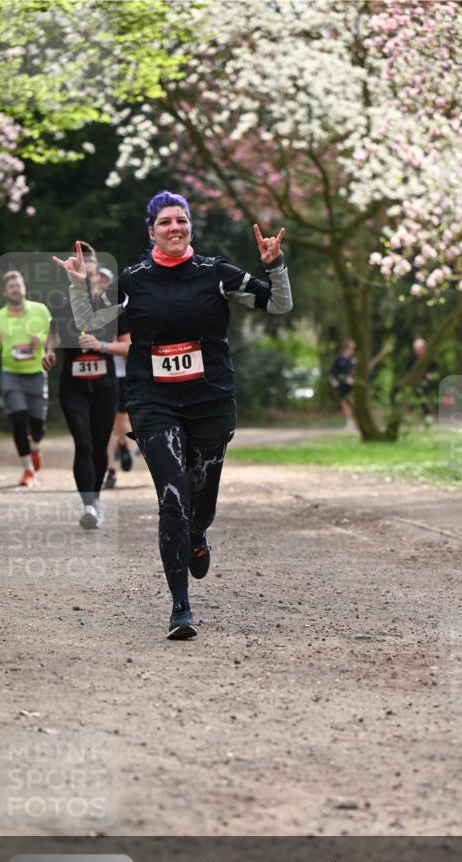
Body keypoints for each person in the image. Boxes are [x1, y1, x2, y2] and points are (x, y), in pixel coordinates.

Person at [53, 191, 292, 639]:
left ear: (190, 228)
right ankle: (180, 608)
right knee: (172, 498)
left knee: (201, 503)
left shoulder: (216, 273)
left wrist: (274, 266)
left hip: (210, 402)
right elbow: (90, 318)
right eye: (165, 222)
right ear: (152, 232)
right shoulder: (135, 278)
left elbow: (278, 305)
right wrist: (77, 283)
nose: (175, 227)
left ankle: (199, 535)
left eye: (181, 220)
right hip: (153, 401)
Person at [45, 245, 131, 528]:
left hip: (106, 387)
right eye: (82, 266)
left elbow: (128, 346)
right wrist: (50, 351)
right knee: (82, 443)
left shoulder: (112, 306)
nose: (88, 271)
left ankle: (95, 500)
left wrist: (101, 345)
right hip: (74, 387)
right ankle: (89, 505)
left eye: (91, 266)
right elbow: (54, 333)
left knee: (98, 447)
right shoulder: (61, 303)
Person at [0, 270, 51, 486]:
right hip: (11, 374)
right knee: (17, 419)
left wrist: (39, 340)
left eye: (18, 285)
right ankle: (27, 469)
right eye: (11, 286)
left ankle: (35, 446)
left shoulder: (40, 310)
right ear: (5, 292)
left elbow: (53, 337)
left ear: (24, 288)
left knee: (38, 425)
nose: (15, 288)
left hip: (36, 372)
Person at [99, 267, 135, 490]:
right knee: (105, 427)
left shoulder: (120, 312)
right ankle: (110, 472)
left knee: (119, 426)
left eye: (105, 282)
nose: (100, 285)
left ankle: (123, 443)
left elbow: (129, 348)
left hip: (121, 375)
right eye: (96, 281)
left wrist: (104, 344)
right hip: (99, 376)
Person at [329, 340, 356, 429]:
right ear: (347, 348)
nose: (353, 350)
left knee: (354, 402)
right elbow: (333, 372)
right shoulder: (338, 359)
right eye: (351, 348)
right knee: (344, 402)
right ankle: (349, 421)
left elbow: (357, 371)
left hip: (354, 385)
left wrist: (353, 378)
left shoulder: (354, 359)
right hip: (343, 385)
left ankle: (356, 421)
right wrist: (333, 380)